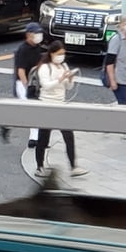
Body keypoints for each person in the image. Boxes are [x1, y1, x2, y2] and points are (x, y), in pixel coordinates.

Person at [33, 41, 89, 178]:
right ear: (52, 53)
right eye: (59, 54)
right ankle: (39, 166)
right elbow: (45, 86)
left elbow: (68, 88)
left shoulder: (64, 66)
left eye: (63, 54)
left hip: (61, 104)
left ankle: (73, 166)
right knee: (43, 137)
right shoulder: (45, 68)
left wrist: (70, 79)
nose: (61, 57)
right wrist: (61, 79)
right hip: (47, 104)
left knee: (68, 135)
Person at [13, 22, 45, 149]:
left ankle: (34, 137)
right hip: (22, 82)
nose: (38, 35)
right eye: (35, 33)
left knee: (32, 110)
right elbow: (20, 70)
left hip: (33, 81)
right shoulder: (23, 49)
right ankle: (7, 125)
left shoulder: (37, 48)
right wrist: (27, 86)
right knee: (28, 110)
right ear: (28, 35)